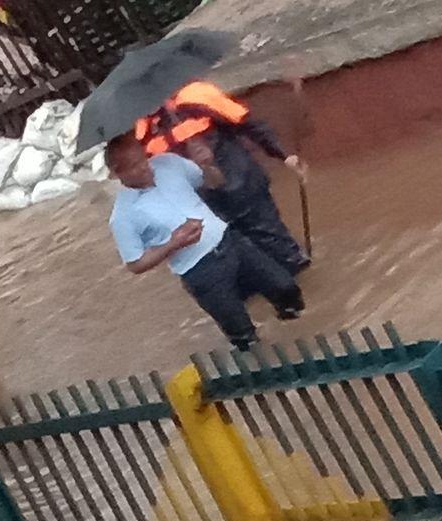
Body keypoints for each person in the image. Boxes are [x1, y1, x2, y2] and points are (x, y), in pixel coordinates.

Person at [107, 132, 304, 351]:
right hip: (200, 272)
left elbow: (215, 182)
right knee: (244, 337)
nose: (145, 167)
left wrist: (208, 165)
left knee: (286, 288)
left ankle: (301, 336)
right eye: (134, 166)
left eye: (143, 159)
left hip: (231, 243)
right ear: (118, 172)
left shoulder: (168, 163)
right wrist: (174, 243)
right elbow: (135, 264)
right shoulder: (122, 216)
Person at [135, 81, 310, 278]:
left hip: (243, 187)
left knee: (282, 251)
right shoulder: (142, 132)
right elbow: (151, 178)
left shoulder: (197, 97)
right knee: (246, 266)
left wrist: (285, 155)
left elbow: (248, 125)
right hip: (208, 206)